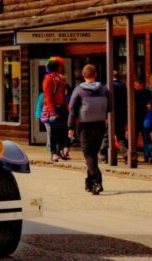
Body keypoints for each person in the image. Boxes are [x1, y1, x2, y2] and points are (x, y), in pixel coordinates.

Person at [68, 64, 111, 195]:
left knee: (89, 154)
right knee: (93, 154)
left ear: (83, 75)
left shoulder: (79, 90)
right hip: (99, 124)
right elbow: (110, 107)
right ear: (95, 74)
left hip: (85, 126)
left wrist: (70, 127)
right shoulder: (104, 89)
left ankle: (97, 182)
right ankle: (89, 182)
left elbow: (72, 109)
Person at [41, 57, 70, 162]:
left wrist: (66, 108)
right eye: (61, 66)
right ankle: (54, 153)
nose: (62, 68)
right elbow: (48, 97)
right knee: (54, 132)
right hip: (54, 109)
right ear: (57, 67)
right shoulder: (48, 79)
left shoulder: (61, 79)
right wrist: (52, 112)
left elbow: (63, 95)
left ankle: (61, 151)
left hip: (61, 108)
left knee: (63, 131)